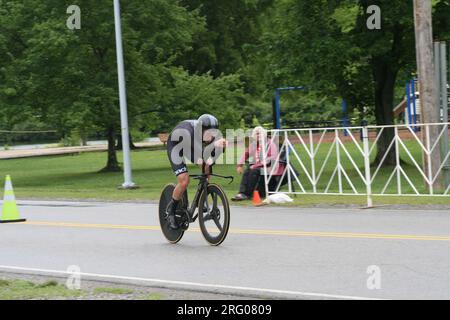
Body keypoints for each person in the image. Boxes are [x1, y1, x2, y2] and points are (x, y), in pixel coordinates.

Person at [165, 114, 228, 230]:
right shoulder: (189, 132)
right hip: (175, 146)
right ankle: (171, 211)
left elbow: (211, 157)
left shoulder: (211, 134)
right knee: (184, 180)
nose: (212, 135)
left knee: (206, 167)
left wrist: (220, 149)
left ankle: (202, 196)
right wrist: (214, 145)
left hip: (189, 147)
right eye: (209, 132)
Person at [232, 126, 281, 201]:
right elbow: (246, 154)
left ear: (264, 134)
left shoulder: (270, 143)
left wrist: (256, 165)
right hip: (259, 167)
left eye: (260, 133)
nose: (258, 135)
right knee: (247, 170)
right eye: (256, 134)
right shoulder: (254, 144)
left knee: (254, 170)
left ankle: (248, 194)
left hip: (270, 168)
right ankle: (242, 193)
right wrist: (239, 165)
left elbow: (272, 158)